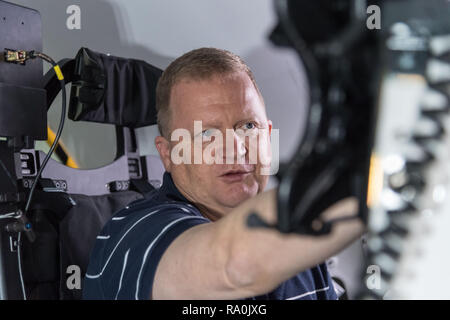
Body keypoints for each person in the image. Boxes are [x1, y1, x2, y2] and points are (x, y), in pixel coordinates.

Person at [83, 47, 364, 300]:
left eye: (248, 127)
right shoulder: (135, 235)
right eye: (206, 133)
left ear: (268, 135)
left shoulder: (295, 246)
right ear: (168, 154)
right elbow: (234, 265)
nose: (234, 149)